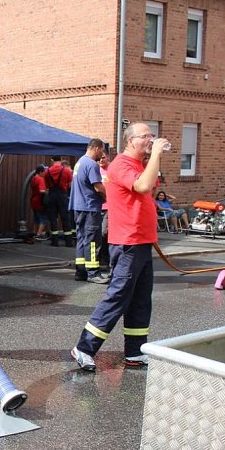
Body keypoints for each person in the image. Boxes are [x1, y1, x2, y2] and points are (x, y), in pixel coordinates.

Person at [71, 123, 170, 372]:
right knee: (118, 296)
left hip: (141, 242)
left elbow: (149, 187)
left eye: (152, 135)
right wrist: (156, 153)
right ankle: (84, 348)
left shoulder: (139, 165)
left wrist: (153, 160)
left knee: (140, 300)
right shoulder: (121, 165)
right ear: (130, 141)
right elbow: (143, 186)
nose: (150, 139)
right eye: (145, 136)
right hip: (127, 243)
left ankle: (135, 352)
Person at [69, 138, 108, 283]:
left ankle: (81, 272)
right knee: (92, 241)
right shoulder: (92, 165)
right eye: (102, 150)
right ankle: (93, 273)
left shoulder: (80, 162)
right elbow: (98, 187)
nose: (102, 154)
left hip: (78, 206)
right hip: (90, 207)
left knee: (81, 239)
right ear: (96, 148)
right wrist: (109, 197)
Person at [44, 155, 74, 247]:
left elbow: (47, 186)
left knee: (53, 219)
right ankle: (68, 242)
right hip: (62, 196)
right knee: (65, 218)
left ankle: (55, 241)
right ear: (61, 160)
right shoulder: (66, 171)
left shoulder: (47, 171)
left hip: (52, 195)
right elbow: (70, 185)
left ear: (52, 160)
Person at [30, 165, 49, 240]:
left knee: (36, 219)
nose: (45, 173)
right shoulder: (40, 179)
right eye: (44, 172)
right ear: (40, 172)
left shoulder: (33, 178)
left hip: (33, 201)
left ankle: (34, 232)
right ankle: (39, 234)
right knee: (43, 219)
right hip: (40, 202)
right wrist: (48, 191)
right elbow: (41, 191)